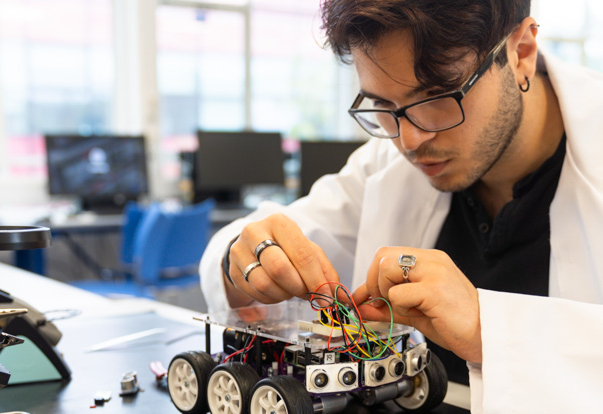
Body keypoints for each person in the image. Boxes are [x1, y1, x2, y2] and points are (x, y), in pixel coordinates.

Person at [200, 0, 603, 412]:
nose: (408, 141)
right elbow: (248, 242)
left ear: (520, 52)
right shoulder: (386, 165)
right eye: (382, 105)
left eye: (437, 96)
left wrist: (489, 329)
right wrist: (246, 260)